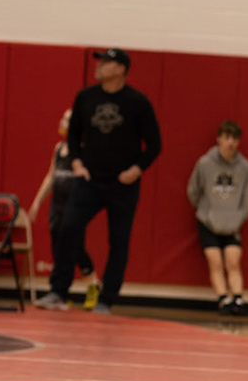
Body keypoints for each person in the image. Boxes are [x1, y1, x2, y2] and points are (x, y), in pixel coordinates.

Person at [36, 49, 161, 314]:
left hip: (123, 184)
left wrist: (137, 169)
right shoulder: (86, 97)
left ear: (120, 69)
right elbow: (73, 135)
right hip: (90, 180)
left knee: (119, 240)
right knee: (68, 227)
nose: (100, 66)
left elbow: (155, 144)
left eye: (106, 62)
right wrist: (77, 163)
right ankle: (58, 291)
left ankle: (106, 298)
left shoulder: (138, 102)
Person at [26, 110, 98, 307]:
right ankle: (59, 292)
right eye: (63, 118)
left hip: (74, 206)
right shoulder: (59, 148)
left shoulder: (84, 150)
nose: (62, 121)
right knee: (58, 247)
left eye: (67, 119)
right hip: (56, 206)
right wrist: (37, 202)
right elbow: (51, 176)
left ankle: (90, 286)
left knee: (76, 248)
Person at [188, 121, 248, 316]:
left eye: (235, 139)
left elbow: (247, 198)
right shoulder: (205, 163)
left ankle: (238, 299)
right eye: (227, 138)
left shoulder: (244, 167)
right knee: (215, 261)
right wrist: (205, 211)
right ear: (219, 139)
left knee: (233, 261)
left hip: (232, 223)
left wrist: (239, 217)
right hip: (209, 222)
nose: (231, 143)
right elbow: (193, 191)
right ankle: (223, 299)